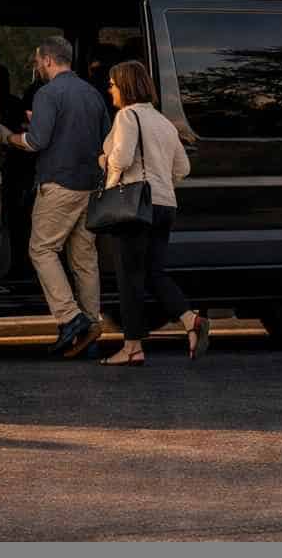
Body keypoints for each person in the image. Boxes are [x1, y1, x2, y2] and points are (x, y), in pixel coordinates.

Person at [95, 60, 208, 366]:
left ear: (126, 87)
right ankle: (190, 319)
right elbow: (182, 168)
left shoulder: (127, 116)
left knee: (129, 277)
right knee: (153, 272)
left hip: (135, 207)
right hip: (165, 205)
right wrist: (159, 183)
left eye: (113, 84)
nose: (110, 89)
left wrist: (106, 165)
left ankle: (132, 348)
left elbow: (121, 158)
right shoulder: (163, 122)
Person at [5, 36, 109, 357]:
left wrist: (9, 137)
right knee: (84, 258)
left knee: (41, 249)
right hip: (90, 184)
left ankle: (69, 317)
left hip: (58, 183)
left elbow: (35, 143)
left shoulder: (48, 93)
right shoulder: (92, 94)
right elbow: (106, 140)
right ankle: (91, 324)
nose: (37, 67)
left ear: (48, 60)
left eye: (38, 61)